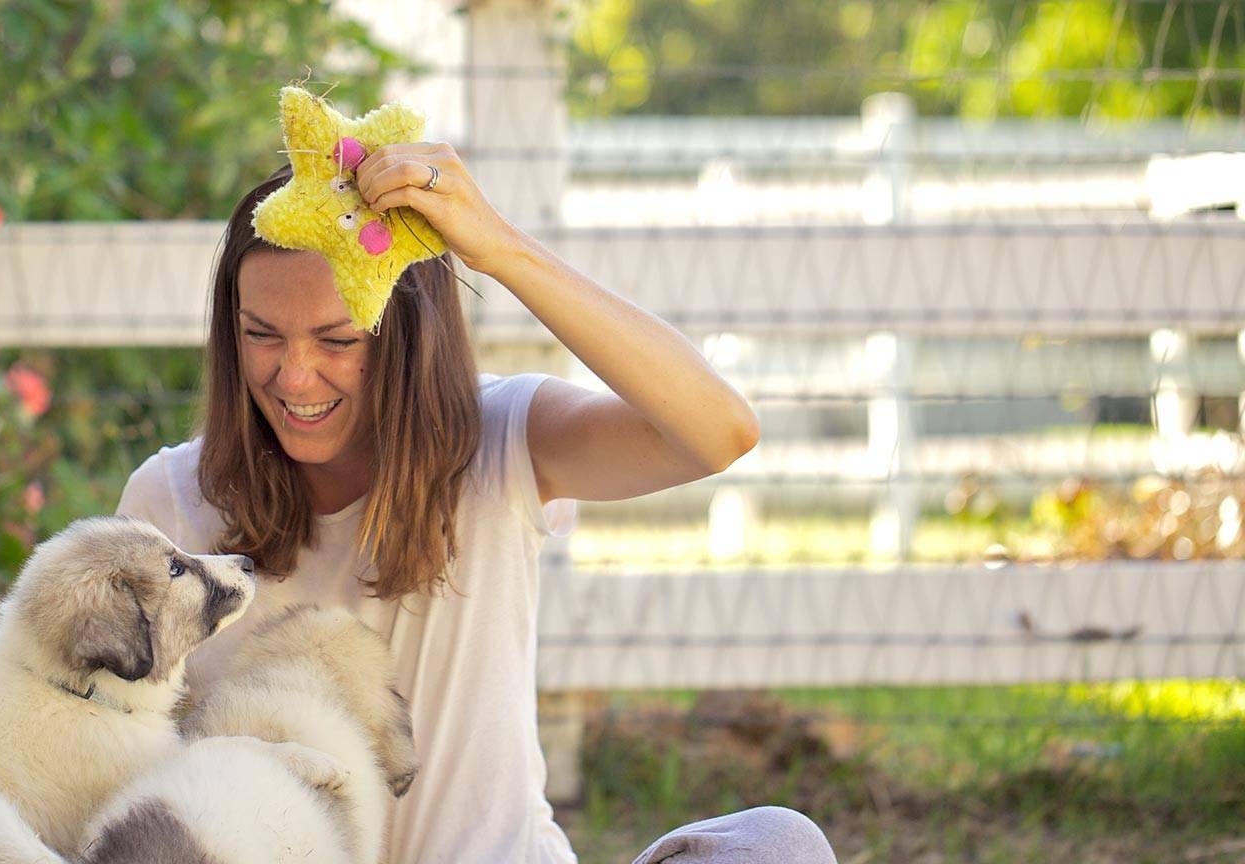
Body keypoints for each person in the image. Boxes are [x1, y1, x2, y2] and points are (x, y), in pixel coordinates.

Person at [116, 145, 836, 863]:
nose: (295, 376)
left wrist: (502, 249)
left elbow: (719, 432)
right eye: (261, 335)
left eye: (337, 340)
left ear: (405, 338)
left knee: (780, 844)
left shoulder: (502, 440)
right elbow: (113, 767)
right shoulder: (171, 504)